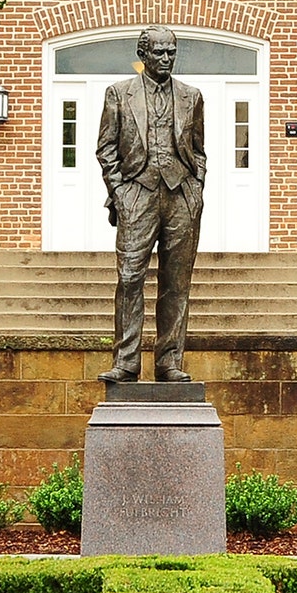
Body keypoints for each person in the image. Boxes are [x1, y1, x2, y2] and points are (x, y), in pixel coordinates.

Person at [96, 25, 206, 383]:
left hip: (180, 195)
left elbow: (198, 150)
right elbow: (106, 148)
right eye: (159, 52)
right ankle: (126, 361)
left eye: (171, 52)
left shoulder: (192, 96)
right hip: (137, 194)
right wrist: (120, 192)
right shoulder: (119, 93)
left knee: (177, 282)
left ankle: (169, 362)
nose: (166, 58)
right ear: (143, 55)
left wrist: (196, 189)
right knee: (129, 278)